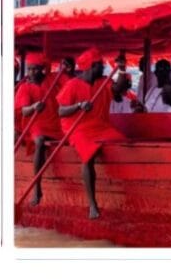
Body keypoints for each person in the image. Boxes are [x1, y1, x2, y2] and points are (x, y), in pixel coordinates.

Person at [56, 48, 124, 218]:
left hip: (101, 126)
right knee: (88, 156)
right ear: (90, 67)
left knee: (124, 143)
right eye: (100, 65)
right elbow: (61, 112)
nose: (103, 68)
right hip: (77, 127)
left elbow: (118, 89)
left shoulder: (103, 81)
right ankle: (92, 205)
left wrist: (122, 68)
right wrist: (79, 106)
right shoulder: (72, 84)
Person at [14, 54, 65, 206]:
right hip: (34, 124)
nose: (31, 73)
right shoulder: (25, 87)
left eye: (34, 69)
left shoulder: (52, 80)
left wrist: (65, 68)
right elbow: (23, 111)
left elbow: (68, 82)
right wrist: (34, 107)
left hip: (55, 124)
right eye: (29, 70)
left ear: (42, 70)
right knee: (40, 140)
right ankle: (37, 187)